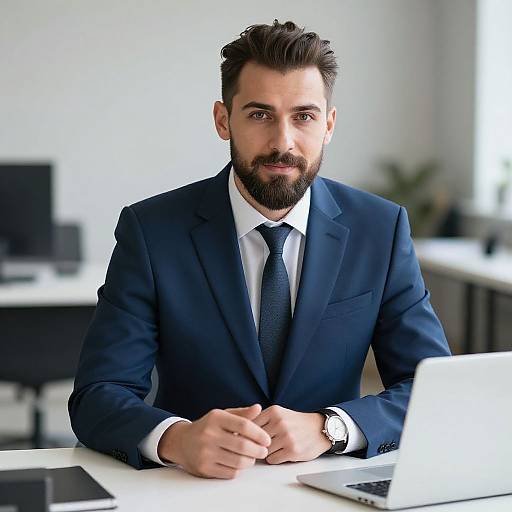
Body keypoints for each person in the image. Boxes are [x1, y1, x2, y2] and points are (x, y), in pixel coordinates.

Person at [69, 20, 451, 479]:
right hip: (191, 490)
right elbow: (98, 394)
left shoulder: (381, 229)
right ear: (222, 120)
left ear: (328, 125)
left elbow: (433, 391)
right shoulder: (152, 232)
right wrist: (175, 439)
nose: (283, 142)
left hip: (329, 485)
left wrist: (332, 428)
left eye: (304, 116)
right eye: (259, 114)